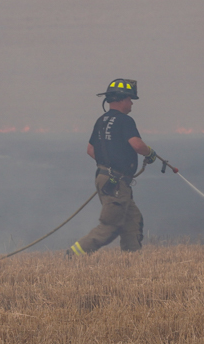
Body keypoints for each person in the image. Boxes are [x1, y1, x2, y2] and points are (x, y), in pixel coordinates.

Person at [68, 78, 159, 255]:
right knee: (110, 225)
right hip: (116, 182)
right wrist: (150, 153)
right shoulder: (125, 121)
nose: (132, 103)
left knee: (132, 221)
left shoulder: (101, 120)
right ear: (121, 99)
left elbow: (90, 150)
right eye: (130, 99)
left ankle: (132, 261)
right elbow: (137, 145)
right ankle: (73, 255)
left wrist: (108, 164)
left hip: (107, 179)